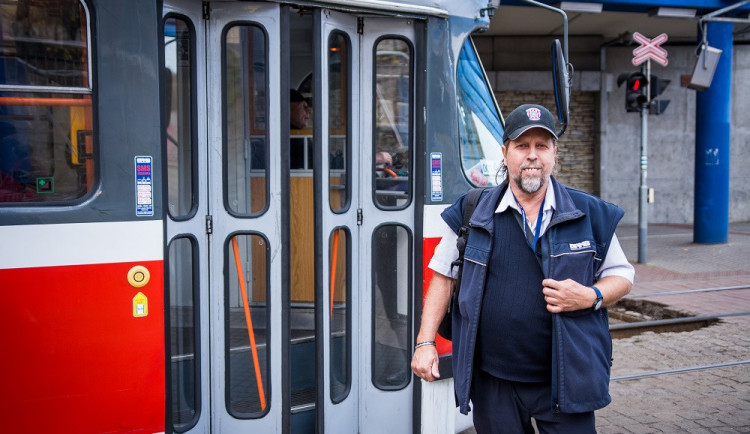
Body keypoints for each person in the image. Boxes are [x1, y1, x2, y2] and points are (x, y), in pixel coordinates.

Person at [411, 104, 634, 433]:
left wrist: (591, 295)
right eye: (522, 145)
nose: (532, 155)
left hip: (564, 381)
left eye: (541, 146)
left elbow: (623, 275)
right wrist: (425, 342)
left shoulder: (590, 213)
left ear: (554, 154)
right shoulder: (472, 211)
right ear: (505, 153)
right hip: (494, 385)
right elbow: (444, 277)